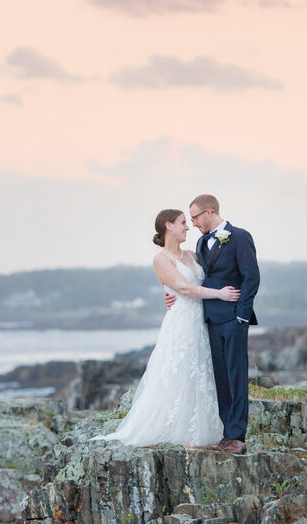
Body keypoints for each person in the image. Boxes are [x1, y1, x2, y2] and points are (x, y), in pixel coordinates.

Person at [90, 208, 241, 448]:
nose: (188, 227)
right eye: (183, 222)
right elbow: (183, 287)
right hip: (181, 323)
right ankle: (177, 428)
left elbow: (209, 277)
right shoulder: (161, 259)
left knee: (201, 373)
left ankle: (203, 428)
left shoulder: (193, 254)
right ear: (168, 226)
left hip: (201, 323)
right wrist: (220, 294)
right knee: (178, 372)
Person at [166, 194, 260, 455]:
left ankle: (237, 437)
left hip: (233, 318)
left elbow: (251, 277)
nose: (192, 223)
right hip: (209, 318)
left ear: (209, 212)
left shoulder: (240, 237)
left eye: (194, 217)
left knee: (236, 376)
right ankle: (226, 434)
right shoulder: (201, 242)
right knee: (220, 378)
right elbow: (198, 278)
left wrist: (242, 315)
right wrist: (171, 293)